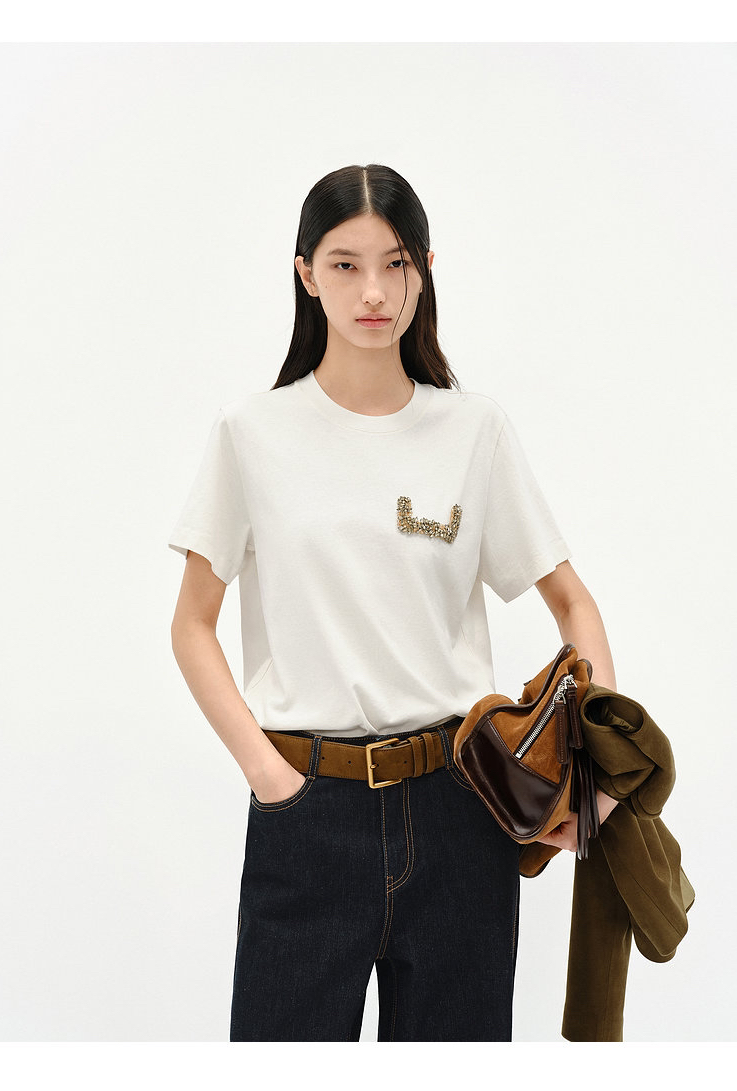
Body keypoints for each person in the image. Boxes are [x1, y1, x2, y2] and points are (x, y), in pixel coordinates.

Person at [168, 163, 619, 1042]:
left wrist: (592, 763)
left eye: (396, 262)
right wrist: (270, 776)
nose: (373, 291)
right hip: (307, 812)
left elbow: (573, 602)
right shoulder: (251, 433)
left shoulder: (474, 429)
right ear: (306, 273)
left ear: (425, 269)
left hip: (461, 809)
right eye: (345, 264)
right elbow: (191, 625)